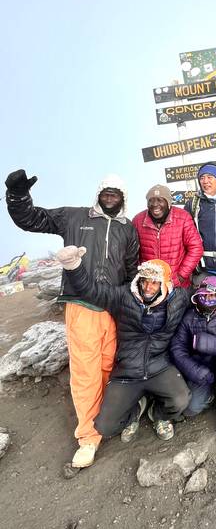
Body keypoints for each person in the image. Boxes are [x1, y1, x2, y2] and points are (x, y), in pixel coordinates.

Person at [5, 169, 139, 468]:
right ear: (99, 194)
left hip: (113, 308)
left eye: (115, 194)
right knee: (86, 372)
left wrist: (128, 303)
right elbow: (32, 219)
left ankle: (107, 420)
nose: (110, 198)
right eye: (106, 193)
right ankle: (88, 438)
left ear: (122, 199)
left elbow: (131, 269)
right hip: (81, 305)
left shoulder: (127, 229)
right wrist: (17, 196)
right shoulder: (75, 217)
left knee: (109, 367)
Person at [56, 248, 191, 446]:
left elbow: (203, 295)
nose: (148, 287)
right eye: (145, 280)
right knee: (105, 427)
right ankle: (135, 409)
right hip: (127, 371)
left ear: (165, 284)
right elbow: (91, 291)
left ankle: (159, 415)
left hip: (159, 366)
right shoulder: (123, 296)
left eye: (155, 282)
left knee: (181, 401)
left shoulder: (177, 299)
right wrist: (73, 267)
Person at [170, 276, 216, 433]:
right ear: (198, 296)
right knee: (191, 409)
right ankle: (211, 394)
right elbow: (177, 349)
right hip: (201, 368)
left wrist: (204, 343)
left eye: (213, 296)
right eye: (204, 295)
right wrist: (196, 371)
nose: (208, 299)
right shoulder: (189, 317)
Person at [133, 184, 203, 289]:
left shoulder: (183, 217)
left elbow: (196, 248)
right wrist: (141, 276)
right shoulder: (138, 220)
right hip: (149, 287)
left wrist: (181, 276)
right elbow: (132, 253)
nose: (155, 204)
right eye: (151, 200)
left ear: (168, 203)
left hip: (177, 286)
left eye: (160, 200)